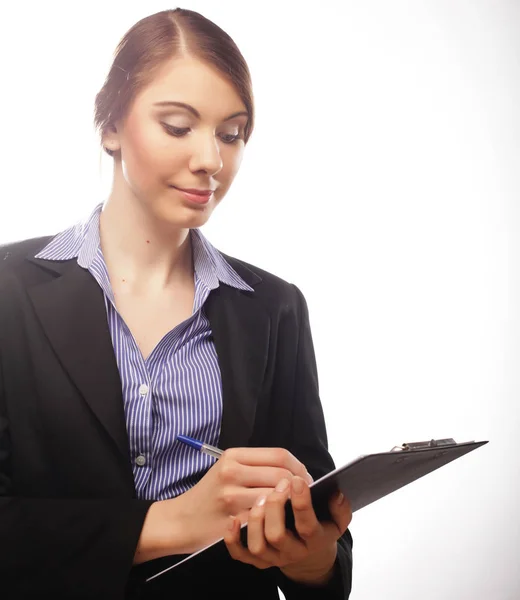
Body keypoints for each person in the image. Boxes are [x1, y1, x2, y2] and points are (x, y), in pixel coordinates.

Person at [0, 7, 353, 599]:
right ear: (111, 127)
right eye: (177, 125)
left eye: (231, 133)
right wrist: (166, 523)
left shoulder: (274, 308)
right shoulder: (6, 290)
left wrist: (310, 557)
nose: (211, 161)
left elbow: (325, 567)